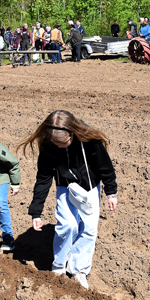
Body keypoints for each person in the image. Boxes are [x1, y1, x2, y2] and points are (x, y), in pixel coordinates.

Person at [19, 110, 118, 290]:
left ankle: (79, 269)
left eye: (64, 143)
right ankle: (58, 266)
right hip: (65, 187)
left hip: (90, 189)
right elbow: (43, 178)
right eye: (56, 143)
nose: (60, 147)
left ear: (72, 133)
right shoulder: (49, 147)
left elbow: (105, 166)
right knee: (68, 225)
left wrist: (111, 192)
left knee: (88, 229)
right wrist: (36, 211)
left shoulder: (90, 141)